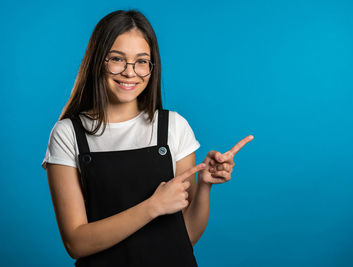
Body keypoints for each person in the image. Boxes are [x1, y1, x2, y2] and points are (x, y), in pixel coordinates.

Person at [42, 9, 253, 266]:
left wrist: (205, 185)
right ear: (98, 61)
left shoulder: (174, 127)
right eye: (117, 59)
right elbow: (76, 243)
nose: (130, 72)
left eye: (142, 61)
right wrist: (153, 206)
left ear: (152, 68)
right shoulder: (68, 134)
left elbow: (186, 236)